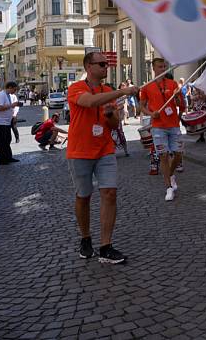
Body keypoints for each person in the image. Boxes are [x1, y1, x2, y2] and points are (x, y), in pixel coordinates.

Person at [67, 51, 138, 264]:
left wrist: (110, 115)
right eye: (101, 64)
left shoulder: (107, 90)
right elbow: (89, 102)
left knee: (109, 193)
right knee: (84, 196)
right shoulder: (76, 88)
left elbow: (115, 124)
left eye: (107, 64)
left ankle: (106, 246)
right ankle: (85, 237)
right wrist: (122, 92)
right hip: (80, 151)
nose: (106, 67)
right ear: (89, 66)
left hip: (105, 149)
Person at [139, 58, 185, 202]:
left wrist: (177, 97)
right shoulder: (147, 87)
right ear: (153, 68)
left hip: (173, 125)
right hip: (158, 126)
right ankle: (168, 188)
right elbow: (141, 106)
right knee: (163, 156)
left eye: (164, 66)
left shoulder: (172, 84)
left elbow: (179, 103)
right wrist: (151, 114)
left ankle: (170, 175)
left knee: (178, 154)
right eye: (160, 67)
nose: (163, 69)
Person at [0, 81, 22, 165]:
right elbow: (0, 108)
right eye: (14, 90)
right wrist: (12, 105)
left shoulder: (8, 95)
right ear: (10, 87)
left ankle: (8, 157)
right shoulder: (1, 95)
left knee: (8, 139)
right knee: (2, 141)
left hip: (6, 122)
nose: (14, 92)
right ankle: (2, 159)